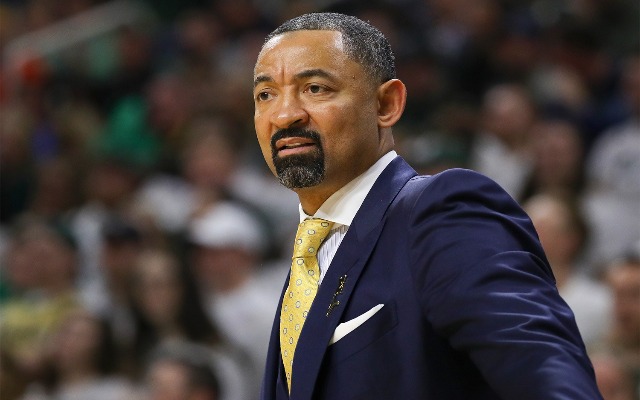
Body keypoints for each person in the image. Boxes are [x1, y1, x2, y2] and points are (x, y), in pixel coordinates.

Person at [252, 12, 602, 399]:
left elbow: (546, 374)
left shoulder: (442, 212)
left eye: (315, 88)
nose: (284, 115)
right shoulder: (308, 257)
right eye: (266, 95)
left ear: (386, 104)